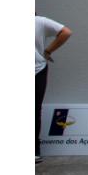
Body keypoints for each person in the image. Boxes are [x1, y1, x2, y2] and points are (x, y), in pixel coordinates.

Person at [36, 15, 71, 163]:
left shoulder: (39, 21)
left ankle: (34, 150)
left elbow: (66, 32)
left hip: (37, 69)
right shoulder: (39, 21)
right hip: (37, 69)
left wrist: (48, 50)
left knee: (34, 109)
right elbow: (66, 32)